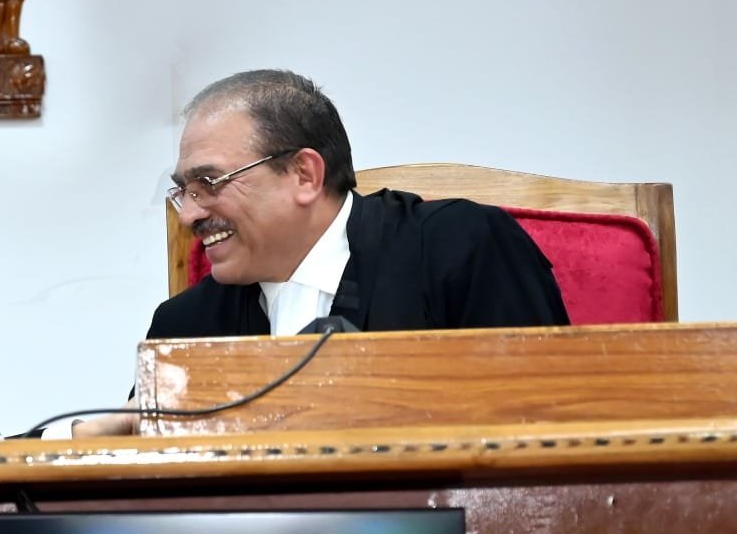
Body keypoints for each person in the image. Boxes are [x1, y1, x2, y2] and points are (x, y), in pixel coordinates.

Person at [65, 68, 568, 436]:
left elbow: (551, 430)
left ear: (304, 174)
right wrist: (83, 435)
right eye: (184, 192)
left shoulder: (458, 247)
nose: (189, 215)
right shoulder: (186, 324)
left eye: (209, 183)